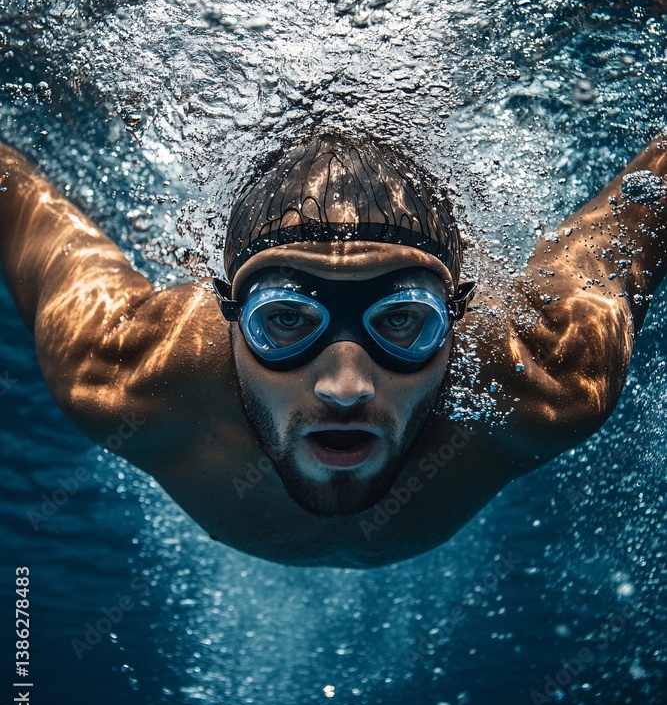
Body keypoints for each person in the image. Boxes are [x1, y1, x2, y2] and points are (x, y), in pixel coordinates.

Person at [0, 128, 664, 567]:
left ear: (456, 319)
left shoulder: (550, 374)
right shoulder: (119, 369)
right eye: (286, 320)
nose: (345, 386)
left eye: (400, 322)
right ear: (230, 311)